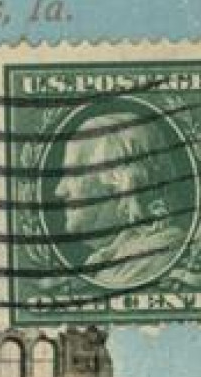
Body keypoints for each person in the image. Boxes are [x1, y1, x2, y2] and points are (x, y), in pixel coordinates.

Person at [52, 108, 185, 290]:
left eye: (73, 173)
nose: (59, 191)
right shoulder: (113, 259)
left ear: (123, 183)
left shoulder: (148, 259)